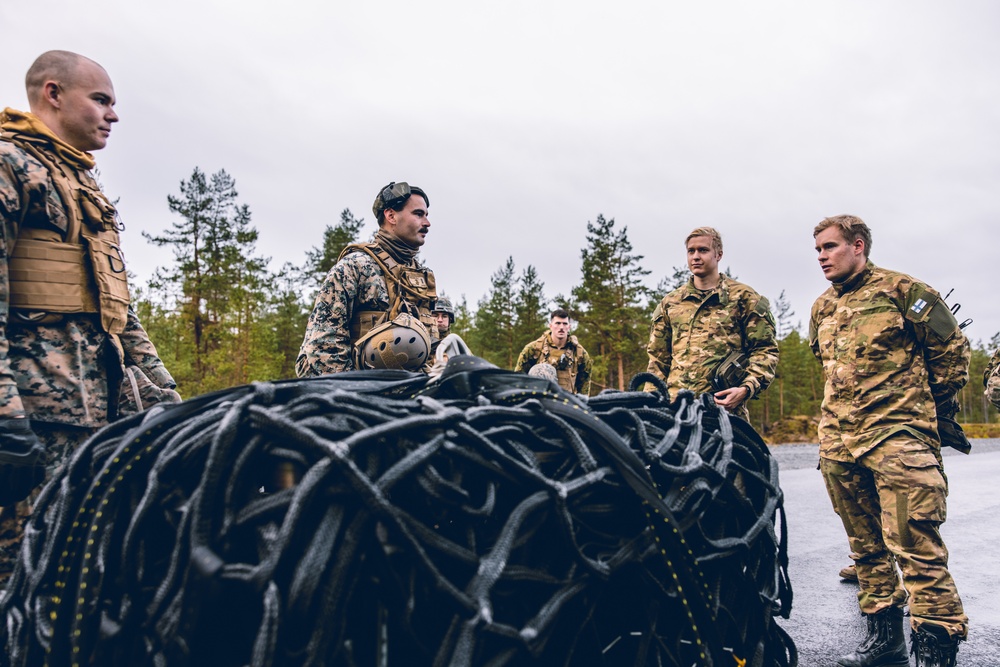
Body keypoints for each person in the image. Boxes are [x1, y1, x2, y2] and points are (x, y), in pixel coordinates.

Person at [0, 51, 178, 581]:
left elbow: (116, 310)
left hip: (95, 420)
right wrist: (6, 418)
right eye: (100, 100)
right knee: (20, 580)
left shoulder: (82, 184)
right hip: (33, 420)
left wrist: (168, 397)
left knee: (83, 577)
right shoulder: (10, 165)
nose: (113, 115)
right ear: (53, 94)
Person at [810, 215, 969, 667]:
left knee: (916, 545)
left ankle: (937, 649)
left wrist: (921, 411)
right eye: (817, 249)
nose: (821, 256)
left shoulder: (905, 292)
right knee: (866, 549)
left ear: (858, 246)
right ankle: (885, 642)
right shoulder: (822, 307)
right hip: (840, 444)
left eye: (830, 246)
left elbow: (951, 354)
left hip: (898, 438)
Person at [296, 182, 438, 375]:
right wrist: (355, 395)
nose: (427, 223)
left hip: (410, 395)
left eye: (427, 216)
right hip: (358, 393)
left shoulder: (422, 278)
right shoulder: (355, 267)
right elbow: (322, 348)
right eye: (418, 214)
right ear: (391, 216)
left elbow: (432, 349)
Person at [645, 227, 778, 421]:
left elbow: (765, 351)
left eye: (703, 250)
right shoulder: (671, 303)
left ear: (718, 254)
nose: (696, 256)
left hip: (725, 412)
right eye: (691, 251)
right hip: (676, 412)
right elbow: (658, 359)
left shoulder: (744, 299)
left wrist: (746, 388)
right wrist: (651, 400)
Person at [514, 309, 592, 394]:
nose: (561, 327)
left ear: (569, 327)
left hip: (566, 402)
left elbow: (584, 384)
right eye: (558, 323)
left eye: (565, 323)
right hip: (539, 400)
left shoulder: (579, 353)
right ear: (550, 326)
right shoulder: (534, 349)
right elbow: (518, 379)